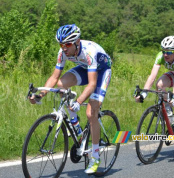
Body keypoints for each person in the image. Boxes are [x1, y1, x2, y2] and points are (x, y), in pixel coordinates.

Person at [29, 24, 112, 174]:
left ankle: (95, 156)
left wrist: (79, 101)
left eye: (67, 44)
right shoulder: (62, 52)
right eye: (61, 44)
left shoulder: (89, 52)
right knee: (61, 85)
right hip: (85, 68)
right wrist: (40, 95)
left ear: (77, 42)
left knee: (90, 112)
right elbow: (54, 77)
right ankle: (76, 125)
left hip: (101, 71)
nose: (64, 48)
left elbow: (92, 83)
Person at [135, 36, 174, 154]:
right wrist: (144, 93)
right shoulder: (160, 56)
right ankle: (169, 113)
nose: (165, 54)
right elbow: (152, 76)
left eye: (168, 52)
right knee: (159, 85)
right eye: (164, 51)